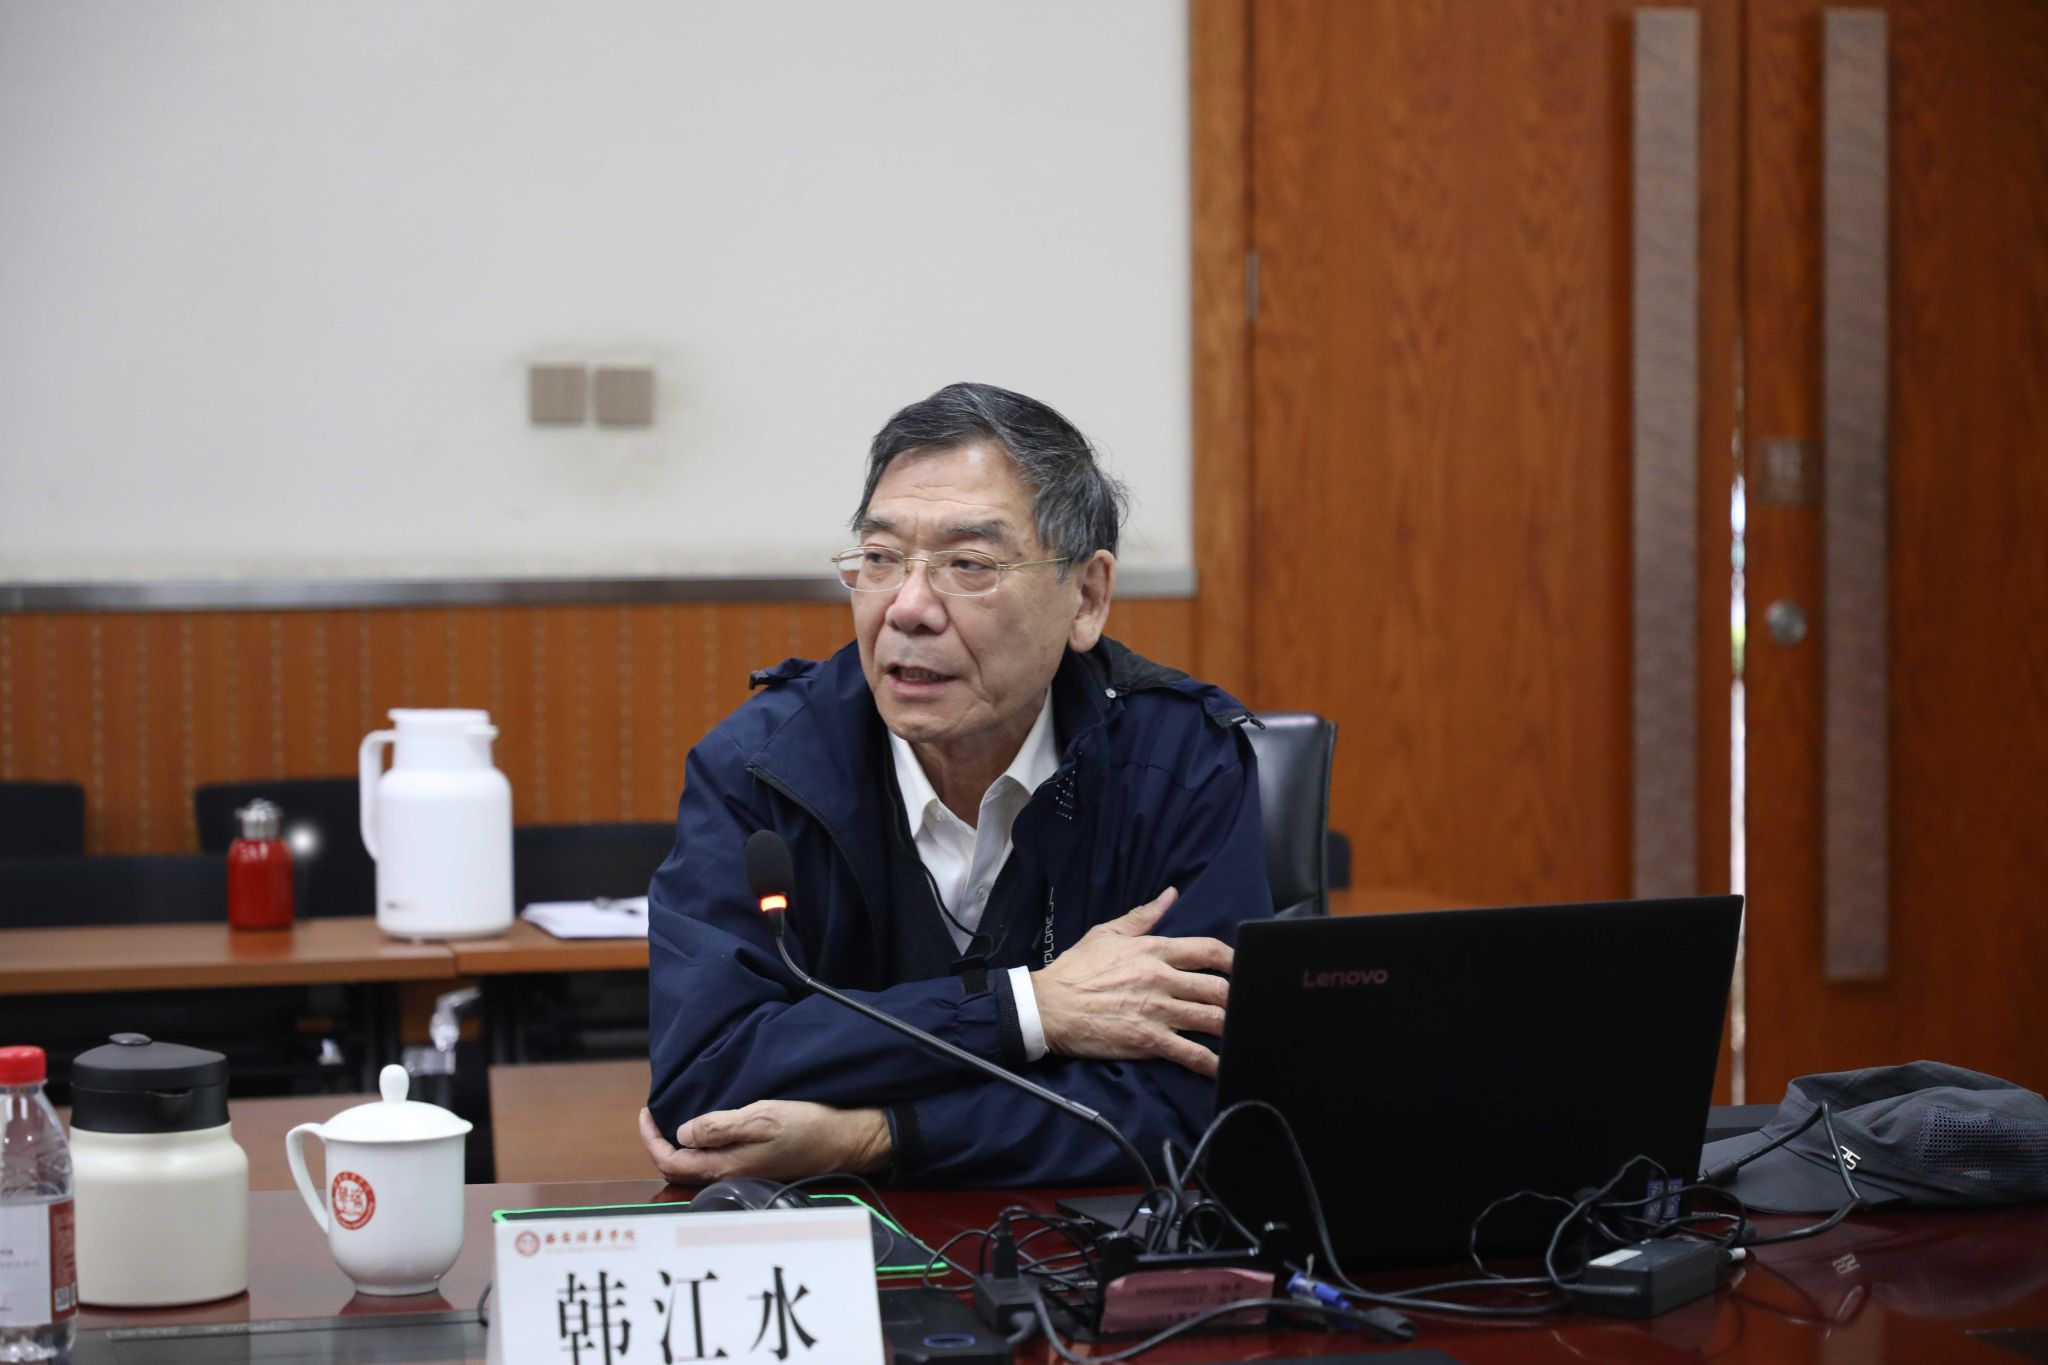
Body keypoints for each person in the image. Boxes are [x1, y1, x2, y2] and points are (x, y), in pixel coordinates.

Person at [639, 382, 1271, 1186]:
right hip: (835, 1247)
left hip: (1099, 1244)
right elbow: (705, 1083)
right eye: (880, 558)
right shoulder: (762, 769)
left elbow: (1202, 1105)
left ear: (1086, 597)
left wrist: (877, 1136)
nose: (908, 608)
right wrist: (1031, 1009)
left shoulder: (1178, 765)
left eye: (968, 565)